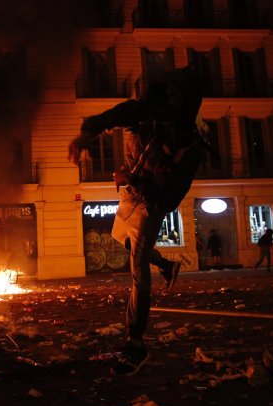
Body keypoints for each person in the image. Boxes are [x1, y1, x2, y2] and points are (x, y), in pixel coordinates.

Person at [67, 66, 207, 376]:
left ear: (185, 104)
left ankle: (135, 343)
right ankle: (168, 265)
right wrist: (87, 133)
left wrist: (134, 179)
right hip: (132, 192)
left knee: (138, 268)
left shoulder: (190, 146)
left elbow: (166, 199)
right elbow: (121, 113)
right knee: (119, 236)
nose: (165, 105)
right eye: (165, 96)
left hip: (151, 205)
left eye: (174, 99)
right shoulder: (150, 113)